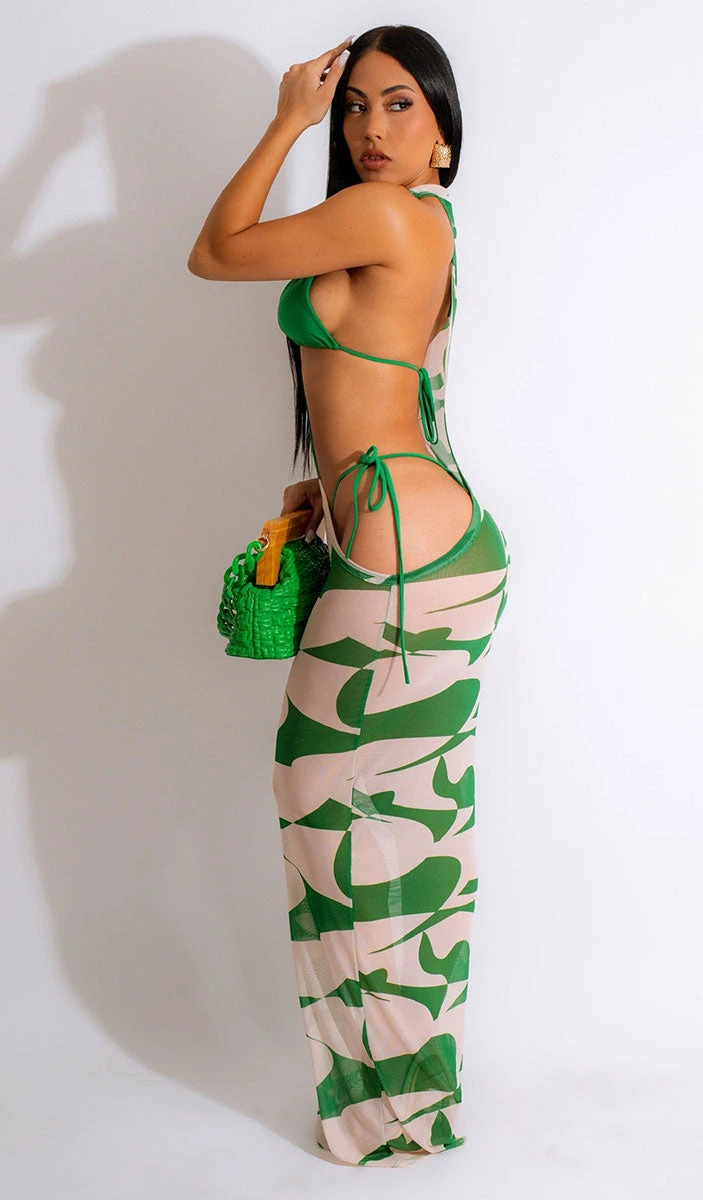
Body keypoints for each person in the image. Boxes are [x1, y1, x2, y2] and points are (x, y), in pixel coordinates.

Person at [188, 24, 511, 1168]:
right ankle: (401, 1099)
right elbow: (394, 382)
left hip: (411, 559)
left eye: (399, 104)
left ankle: (392, 1109)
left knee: (327, 794)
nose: (371, 126)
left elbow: (216, 251)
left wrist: (286, 118)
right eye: (353, 106)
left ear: (443, 133)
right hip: (421, 542)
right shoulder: (418, 224)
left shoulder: (386, 215)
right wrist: (324, 490)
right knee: (400, 811)